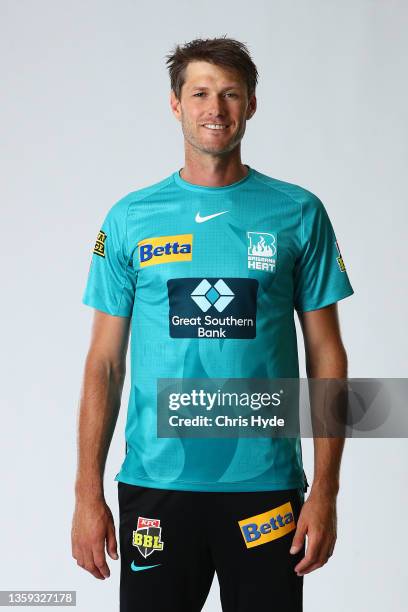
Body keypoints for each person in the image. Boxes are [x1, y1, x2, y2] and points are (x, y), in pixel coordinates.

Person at [71, 36, 354, 612]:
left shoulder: (298, 212)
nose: (215, 109)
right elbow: (104, 361)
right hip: (157, 486)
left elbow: (327, 354)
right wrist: (86, 493)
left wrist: (325, 490)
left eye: (230, 94)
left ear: (252, 104)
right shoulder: (130, 219)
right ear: (175, 104)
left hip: (267, 490)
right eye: (199, 93)